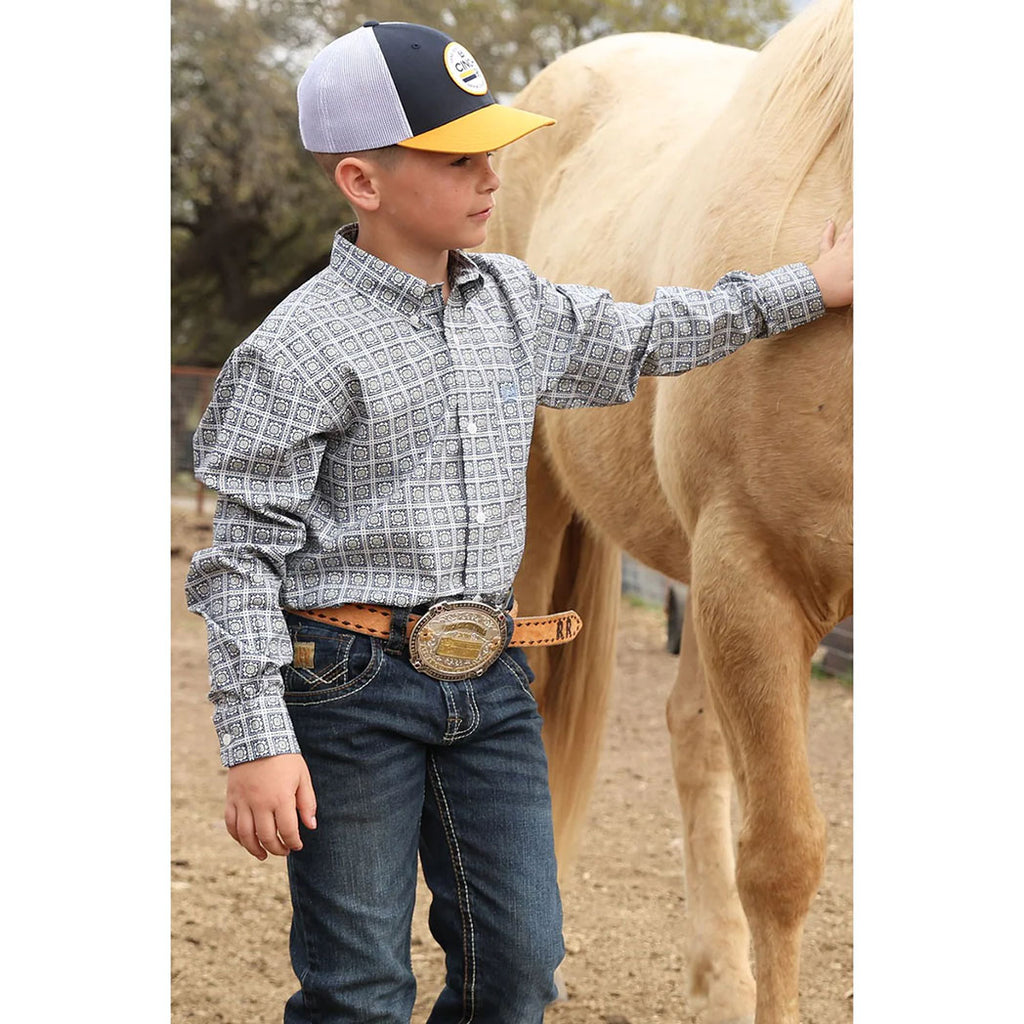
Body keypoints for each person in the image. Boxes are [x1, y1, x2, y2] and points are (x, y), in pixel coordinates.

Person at [185, 19, 853, 1024]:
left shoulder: (514, 301)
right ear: (362, 184)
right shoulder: (294, 351)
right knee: (358, 979)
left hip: (488, 684)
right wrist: (255, 737)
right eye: (458, 159)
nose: (493, 175)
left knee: (522, 966)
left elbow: (655, 331)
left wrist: (811, 286)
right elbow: (237, 560)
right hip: (351, 685)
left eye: (493, 147)